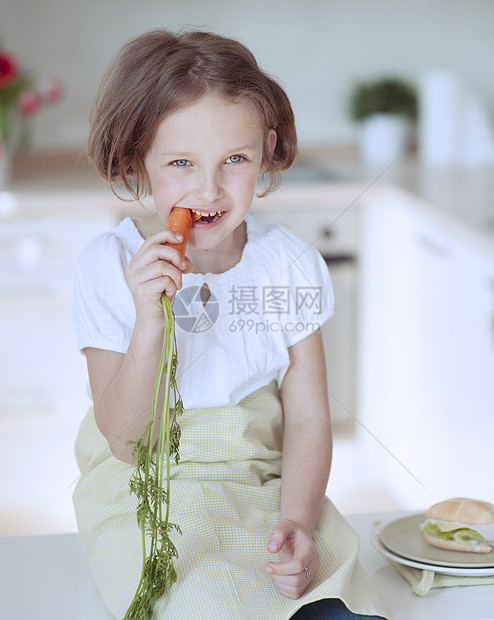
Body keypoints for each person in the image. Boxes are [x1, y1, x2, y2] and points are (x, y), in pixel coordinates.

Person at [72, 29, 390, 620]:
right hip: (148, 488)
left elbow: (309, 415)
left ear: (266, 151)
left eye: (234, 160)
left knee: (331, 586)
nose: (209, 189)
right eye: (180, 162)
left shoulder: (289, 264)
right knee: (199, 597)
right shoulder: (110, 266)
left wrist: (295, 519)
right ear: (138, 156)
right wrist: (149, 323)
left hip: (264, 479)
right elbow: (123, 441)